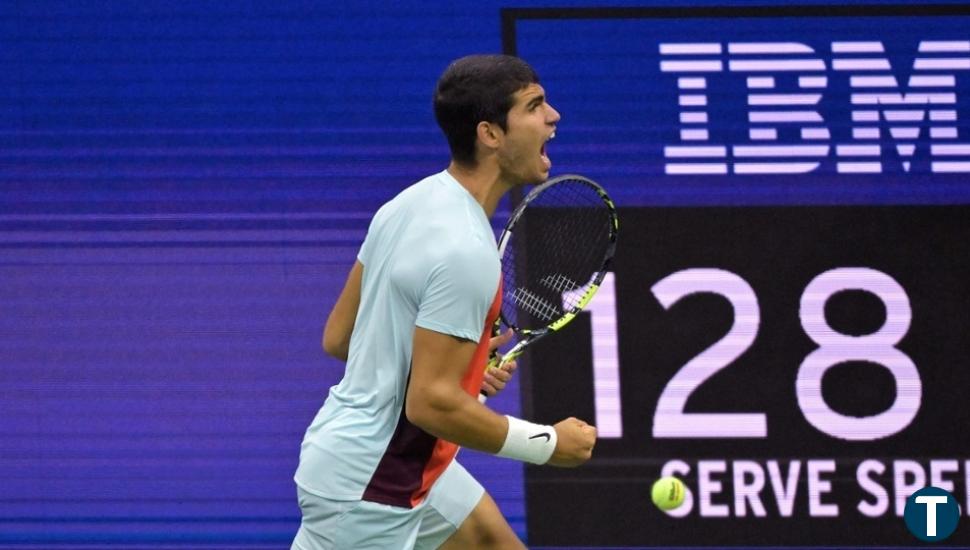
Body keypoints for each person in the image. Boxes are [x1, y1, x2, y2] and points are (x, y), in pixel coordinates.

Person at [292, 54, 597, 550]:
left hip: (367, 457)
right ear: (490, 134)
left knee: (490, 542)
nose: (553, 116)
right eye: (535, 105)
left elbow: (342, 338)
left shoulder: (406, 204)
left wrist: (463, 376)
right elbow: (432, 403)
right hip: (374, 490)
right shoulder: (467, 252)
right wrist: (547, 445)